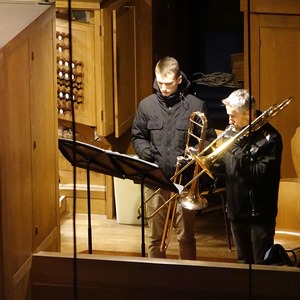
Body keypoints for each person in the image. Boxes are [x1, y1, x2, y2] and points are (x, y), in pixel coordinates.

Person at [131, 56, 216, 259]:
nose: (163, 88)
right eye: (159, 83)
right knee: (155, 238)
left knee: (186, 237)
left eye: (168, 83)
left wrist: (193, 154)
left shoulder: (196, 105)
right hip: (155, 179)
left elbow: (209, 139)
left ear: (179, 79)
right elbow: (138, 135)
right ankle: (155, 280)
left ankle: (187, 281)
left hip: (185, 181)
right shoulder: (146, 106)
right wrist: (145, 152)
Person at [212, 89, 283, 264]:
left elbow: (261, 174)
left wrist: (236, 150)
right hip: (236, 212)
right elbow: (226, 170)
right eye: (228, 115)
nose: (229, 121)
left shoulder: (270, 138)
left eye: (233, 116)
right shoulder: (232, 131)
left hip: (259, 215)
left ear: (249, 113)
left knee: (262, 267)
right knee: (242, 265)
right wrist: (212, 165)